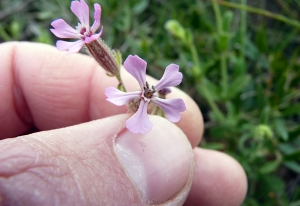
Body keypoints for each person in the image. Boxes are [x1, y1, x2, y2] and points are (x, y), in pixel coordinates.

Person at [0, 42, 247, 206]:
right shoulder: (133, 93)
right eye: (146, 92)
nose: (147, 93)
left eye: (149, 92)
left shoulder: (147, 95)